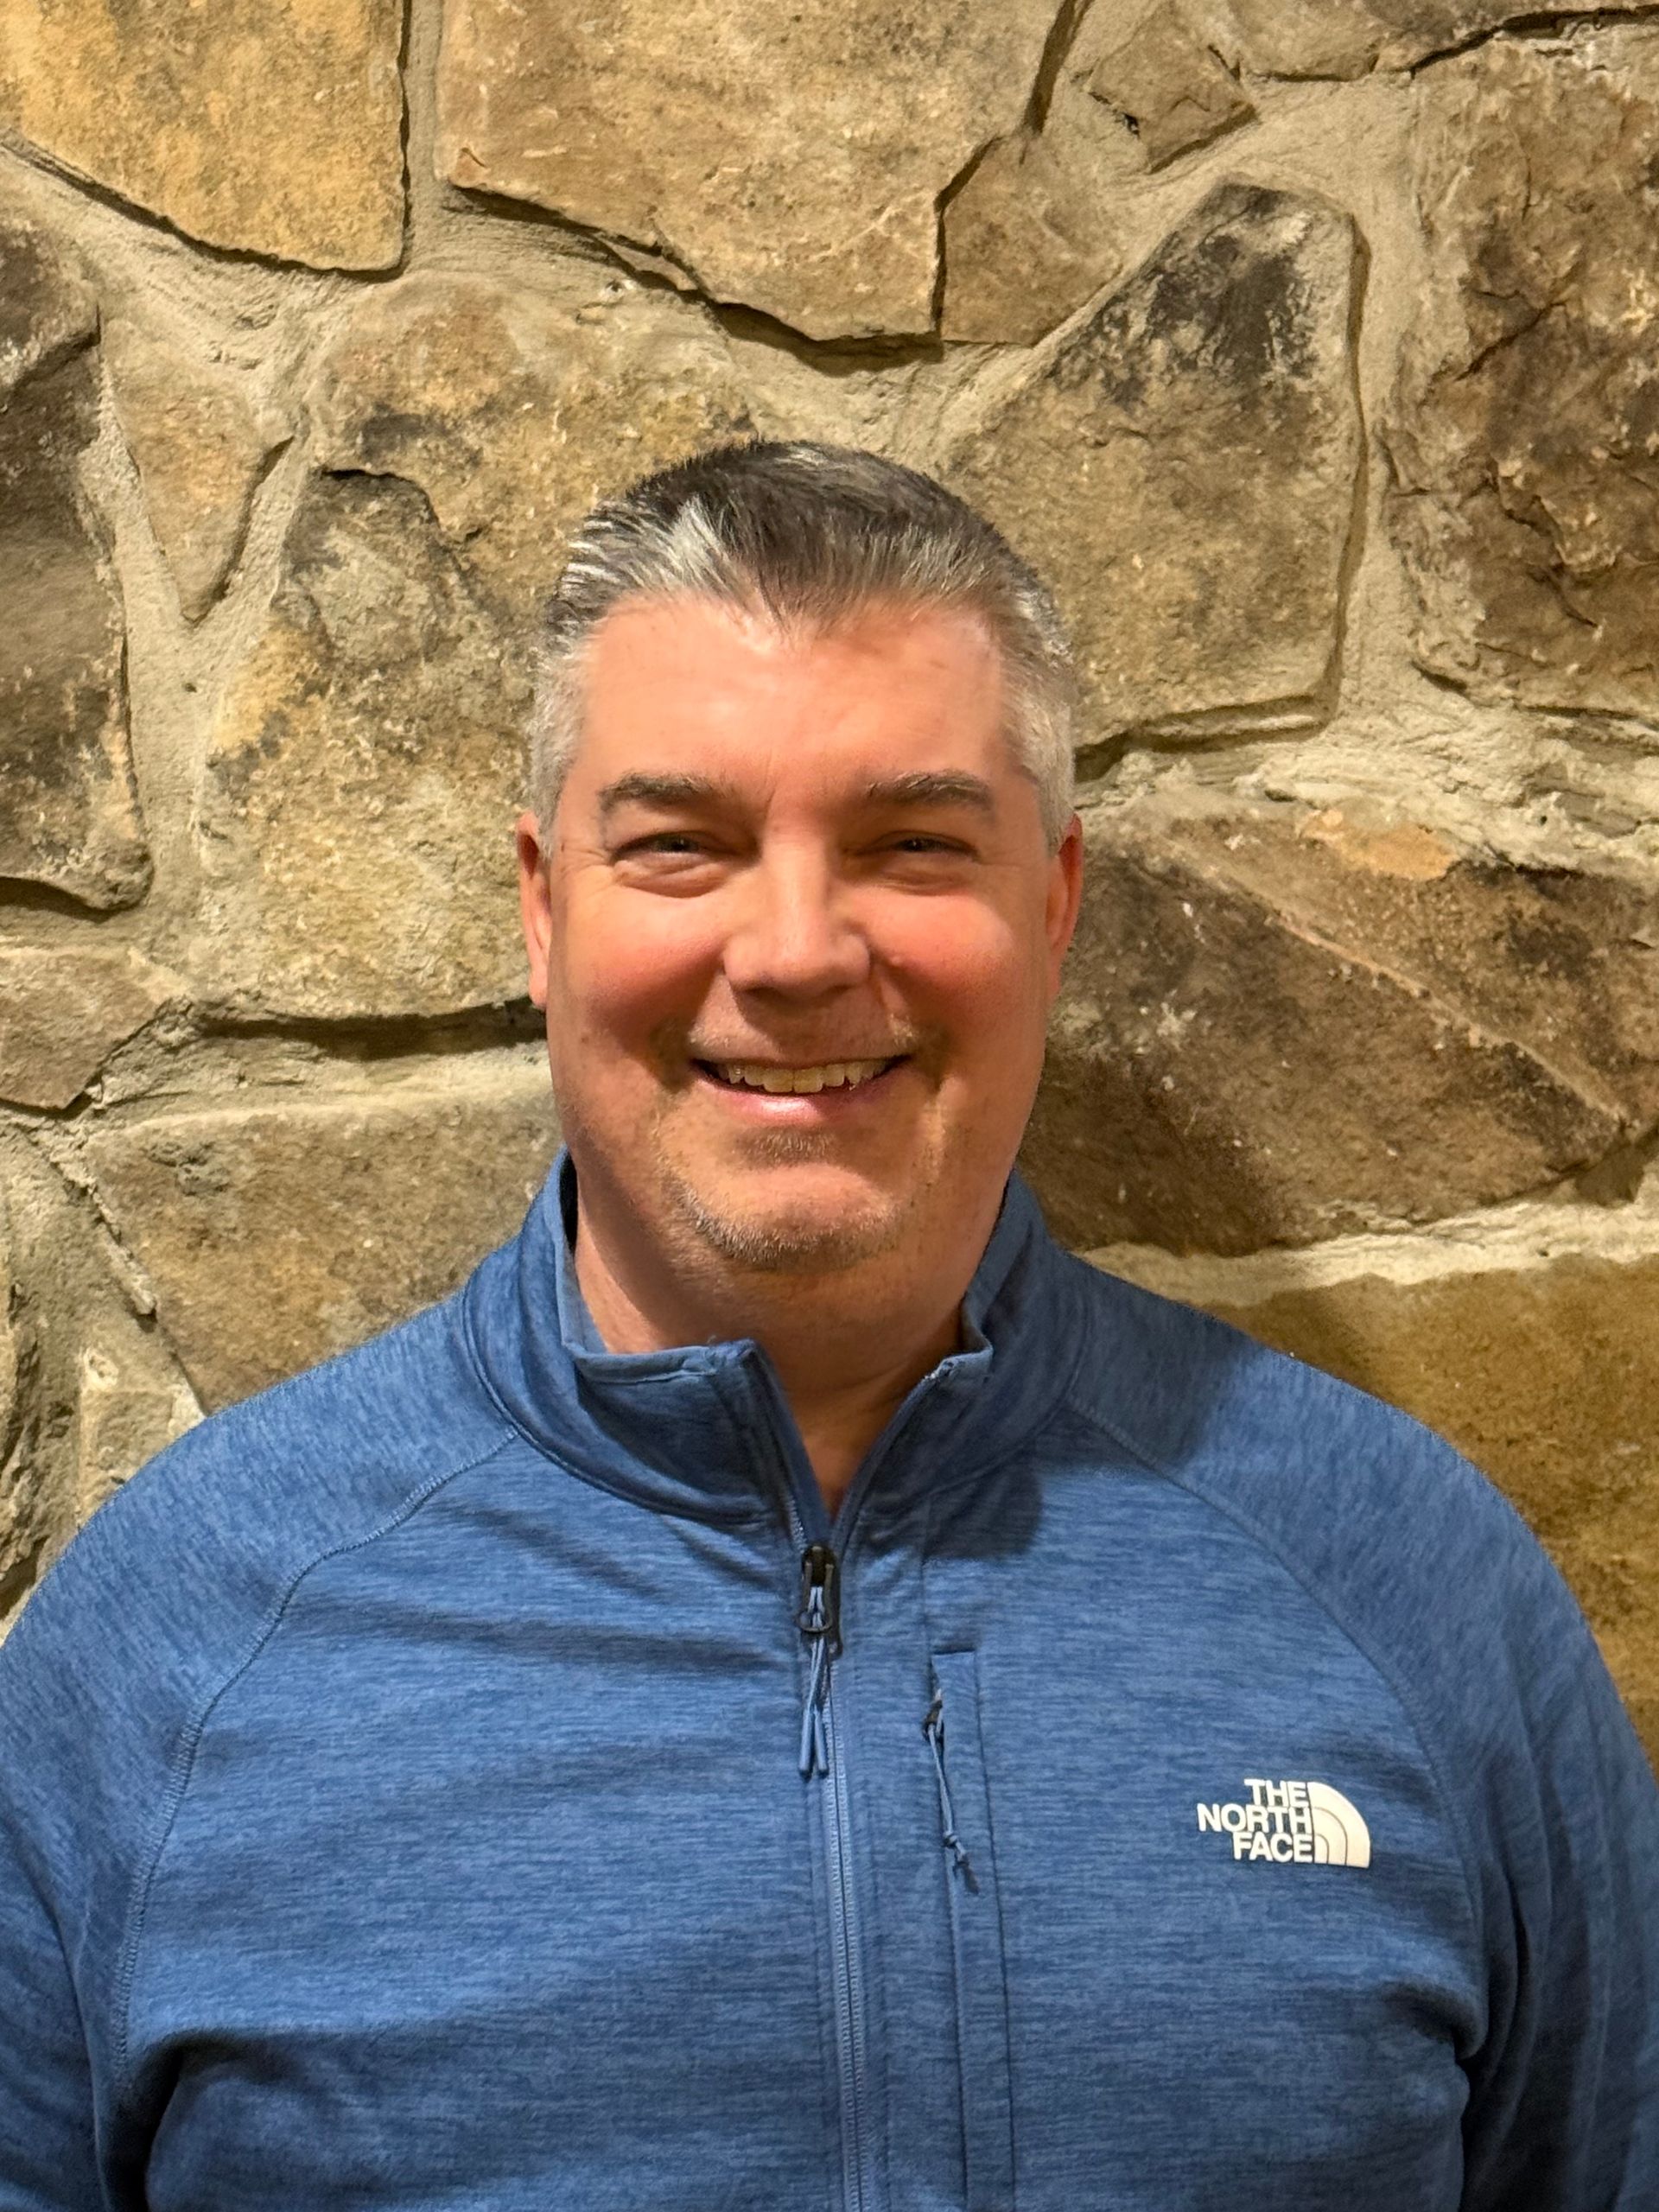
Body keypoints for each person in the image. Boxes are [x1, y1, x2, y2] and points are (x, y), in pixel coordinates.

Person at [0, 441, 1655, 2212]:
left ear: (1055, 903)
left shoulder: (1409, 1585)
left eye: (911, 843)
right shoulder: (179, 1641)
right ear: (544, 911)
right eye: (682, 845)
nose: (793, 950)